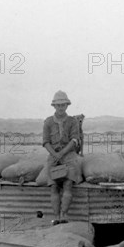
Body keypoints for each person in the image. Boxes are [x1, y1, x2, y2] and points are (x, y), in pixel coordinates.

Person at [43, 91, 82, 224]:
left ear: (67, 105)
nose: (61, 108)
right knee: (53, 186)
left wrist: (62, 153)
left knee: (68, 184)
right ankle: (56, 217)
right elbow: (45, 142)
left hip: (69, 156)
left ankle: (64, 215)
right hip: (53, 157)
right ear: (54, 106)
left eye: (63, 105)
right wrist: (55, 155)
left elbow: (74, 140)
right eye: (58, 105)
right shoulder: (48, 122)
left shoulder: (72, 121)